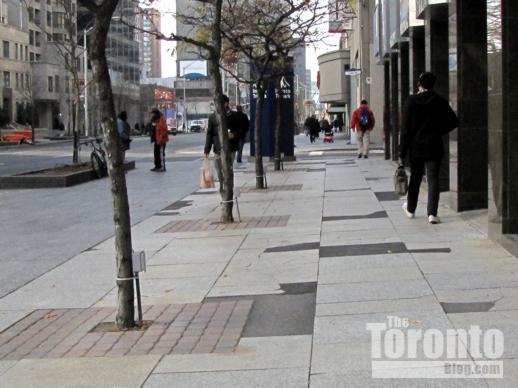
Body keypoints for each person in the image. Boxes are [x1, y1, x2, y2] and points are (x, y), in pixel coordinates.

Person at [399, 72, 459, 224]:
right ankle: (432, 213)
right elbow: (453, 121)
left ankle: (411, 209)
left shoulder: (411, 101)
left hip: (416, 147)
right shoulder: (440, 101)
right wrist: (439, 131)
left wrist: (402, 151)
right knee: (433, 179)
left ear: (420, 84)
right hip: (433, 145)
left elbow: (405, 129)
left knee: (416, 178)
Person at [150, 108, 168, 172]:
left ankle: (162, 167)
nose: (152, 115)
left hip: (161, 140)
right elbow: (153, 129)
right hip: (156, 140)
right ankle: (157, 166)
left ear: (156, 113)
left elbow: (164, 130)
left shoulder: (161, 119)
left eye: (153, 114)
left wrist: (160, 139)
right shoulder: (155, 120)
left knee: (161, 153)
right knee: (156, 153)